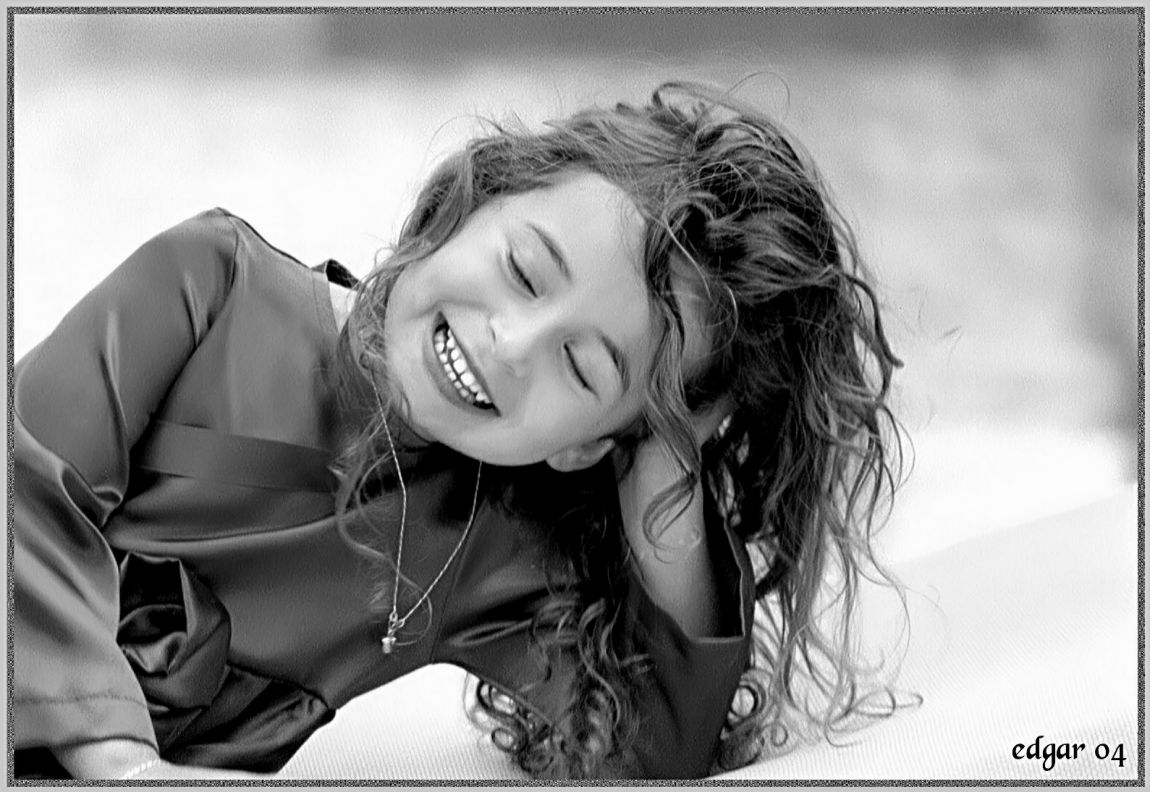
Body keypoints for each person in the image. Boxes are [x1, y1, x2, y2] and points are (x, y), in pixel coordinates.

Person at [12, 81, 905, 780]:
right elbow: (20, 479)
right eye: (524, 270)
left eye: (582, 369)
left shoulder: (479, 542)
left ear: (584, 447)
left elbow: (660, 743)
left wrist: (668, 451)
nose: (509, 344)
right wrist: (121, 765)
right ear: (481, 195)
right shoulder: (210, 284)